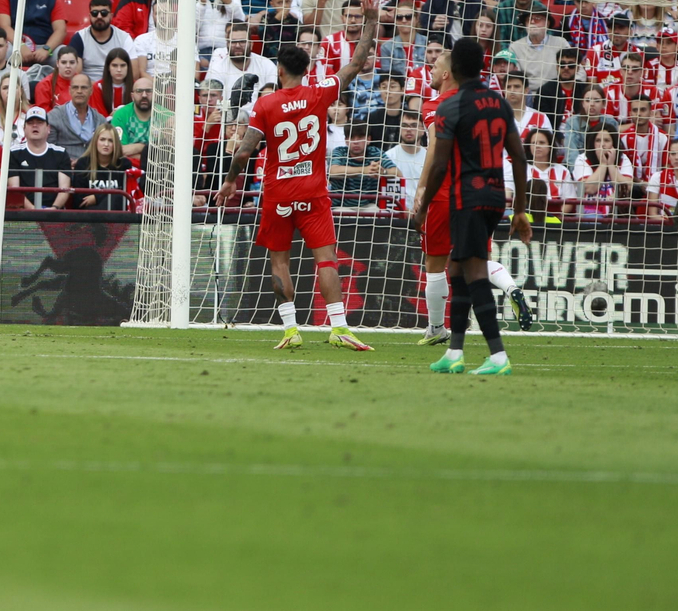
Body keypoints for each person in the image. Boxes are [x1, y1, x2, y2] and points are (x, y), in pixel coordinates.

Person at [216, 27, 377, 351]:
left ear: (279, 69)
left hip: (278, 194)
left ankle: (291, 330)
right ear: (307, 70)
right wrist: (371, 21)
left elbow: (245, 150)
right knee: (326, 260)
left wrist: (231, 180)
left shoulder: (265, 104)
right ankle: (340, 327)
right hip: (314, 191)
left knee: (280, 263)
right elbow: (355, 64)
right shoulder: (320, 93)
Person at [412, 37, 531, 376]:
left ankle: (498, 356)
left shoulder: (449, 107)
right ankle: (454, 352)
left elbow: (438, 164)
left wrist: (422, 207)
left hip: (467, 196)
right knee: (457, 271)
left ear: (454, 69)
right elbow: (519, 157)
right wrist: (519, 209)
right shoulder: (499, 102)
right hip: (496, 197)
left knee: (474, 273)